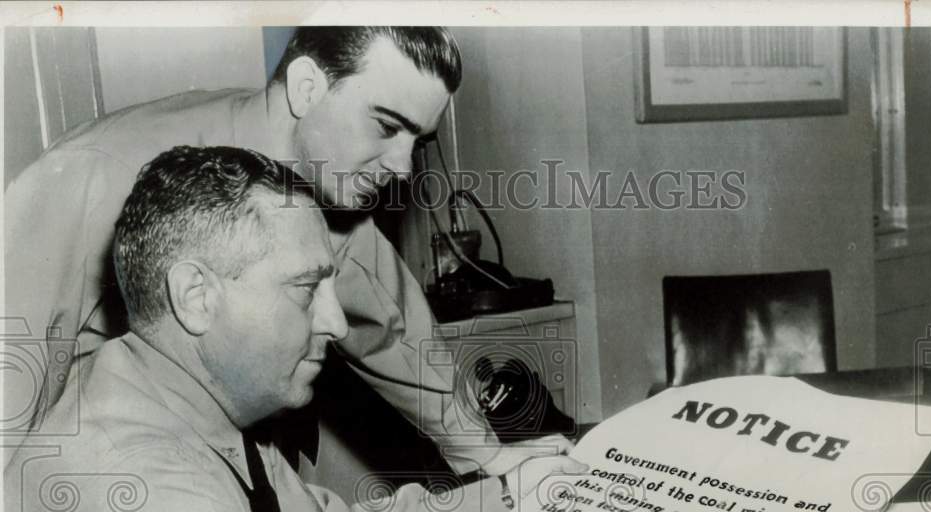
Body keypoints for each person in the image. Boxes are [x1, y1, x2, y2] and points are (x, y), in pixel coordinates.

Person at [2, 146, 713, 512]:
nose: (336, 323)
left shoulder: (180, 406)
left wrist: (508, 491)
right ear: (196, 295)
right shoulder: (132, 480)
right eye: (305, 287)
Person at [2, 26, 546, 478]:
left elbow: (391, 328)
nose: (403, 168)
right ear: (307, 86)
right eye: (385, 126)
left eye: (417, 142)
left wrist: (486, 454)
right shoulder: (94, 175)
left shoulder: (327, 190)